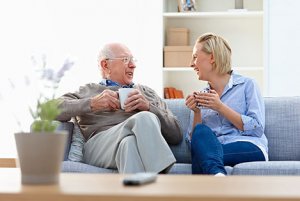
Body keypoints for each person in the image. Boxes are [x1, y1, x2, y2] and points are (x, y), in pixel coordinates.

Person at [56, 42, 182, 173]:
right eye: (126, 60)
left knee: (129, 144)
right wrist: (92, 103)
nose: (133, 65)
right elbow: (49, 110)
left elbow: (176, 134)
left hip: (127, 145)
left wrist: (149, 107)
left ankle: (135, 192)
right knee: (144, 118)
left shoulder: (147, 93)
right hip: (99, 147)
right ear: (105, 65)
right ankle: (164, 181)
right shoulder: (88, 90)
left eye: (133, 60)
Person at [185, 33, 268, 176]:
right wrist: (196, 112)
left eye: (195, 57)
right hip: (214, 149)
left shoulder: (247, 85)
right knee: (201, 132)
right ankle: (218, 176)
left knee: (202, 157)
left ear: (212, 57)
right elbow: (194, 143)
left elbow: (257, 128)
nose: (191, 64)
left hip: (248, 145)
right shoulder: (201, 96)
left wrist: (220, 107)